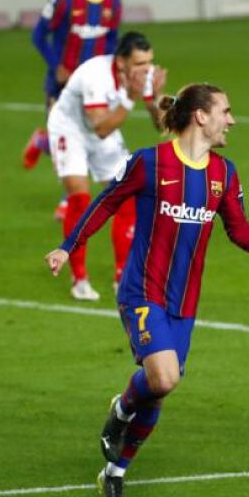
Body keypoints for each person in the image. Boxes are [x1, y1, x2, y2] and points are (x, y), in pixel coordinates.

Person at [45, 83, 249, 497]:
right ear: (201, 116)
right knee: (163, 377)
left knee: (159, 390)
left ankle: (114, 473)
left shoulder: (224, 174)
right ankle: (122, 409)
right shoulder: (150, 163)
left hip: (184, 302)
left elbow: (240, 231)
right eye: (225, 111)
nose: (231, 120)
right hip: (142, 290)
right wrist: (68, 247)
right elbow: (106, 203)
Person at [47, 31, 167, 302]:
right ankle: (79, 279)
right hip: (70, 130)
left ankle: (122, 277)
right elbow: (100, 128)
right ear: (121, 62)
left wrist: (156, 99)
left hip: (104, 130)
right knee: (80, 198)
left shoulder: (143, 76)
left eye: (149, 61)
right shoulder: (95, 75)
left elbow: (161, 126)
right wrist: (131, 98)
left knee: (127, 197)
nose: (147, 68)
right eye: (140, 63)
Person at [23, 0, 122, 208]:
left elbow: (112, 43)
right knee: (66, 139)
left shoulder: (113, 3)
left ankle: (41, 142)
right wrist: (56, 65)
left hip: (96, 88)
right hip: (62, 86)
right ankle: (69, 198)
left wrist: (113, 75)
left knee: (89, 138)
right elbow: (39, 35)